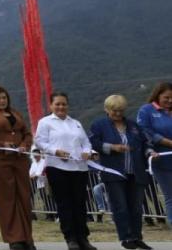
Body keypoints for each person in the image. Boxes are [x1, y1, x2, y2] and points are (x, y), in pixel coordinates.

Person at [90, 94, 153, 250]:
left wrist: (150, 152)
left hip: (135, 171)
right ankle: (126, 237)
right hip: (114, 172)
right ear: (107, 109)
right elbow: (93, 143)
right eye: (114, 110)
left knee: (137, 207)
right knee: (121, 206)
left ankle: (137, 237)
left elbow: (145, 143)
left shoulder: (133, 125)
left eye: (121, 110)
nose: (118, 114)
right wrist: (111, 147)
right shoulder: (99, 125)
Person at [34, 92, 95, 250]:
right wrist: (55, 151)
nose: (61, 107)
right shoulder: (45, 122)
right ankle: (71, 238)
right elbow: (40, 142)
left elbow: (86, 142)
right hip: (58, 168)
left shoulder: (76, 123)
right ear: (51, 105)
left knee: (80, 203)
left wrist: (88, 151)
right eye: (57, 104)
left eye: (64, 104)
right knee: (65, 204)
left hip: (79, 168)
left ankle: (83, 237)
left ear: (67, 105)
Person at [0, 86, 34, 250]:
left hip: (20, 160)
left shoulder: (16, 113)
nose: (2, 100)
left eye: (4, 97)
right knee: (7, 198)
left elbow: (27, 133)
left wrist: (25, 144)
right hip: (1, 161)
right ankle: (14, 238)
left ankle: (27, 237)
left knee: (24, 196)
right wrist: (2, 144)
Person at [136, 82, 172, 225]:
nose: (170, 101)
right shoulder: (146, 110)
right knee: (170, 195)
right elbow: (144, 130)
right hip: (160, 160)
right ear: (157, 95)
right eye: (166, 97)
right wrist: (167, 142)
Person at [28, 150, 54, 221]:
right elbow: (30, 173)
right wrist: (33, 175)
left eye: (36, 154)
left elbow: (39, 173)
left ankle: (52, 215)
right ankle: (49, 215)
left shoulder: (44, 162)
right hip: (39, 184)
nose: (35, 156)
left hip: (46, 183)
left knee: (49, 199)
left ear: (39, 154)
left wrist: (34, 175)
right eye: (34, 155)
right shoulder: (33, 163)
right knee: (44, 200)